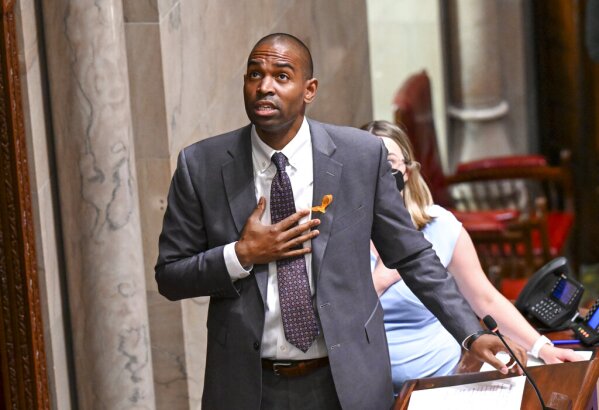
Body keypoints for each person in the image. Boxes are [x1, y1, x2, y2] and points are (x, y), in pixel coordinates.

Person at [154, 33, 523, 410]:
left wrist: (470, 332)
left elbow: (411, 256)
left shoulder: (361, 156)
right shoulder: (201, 166)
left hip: (345, 381)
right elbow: (169, 274)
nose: (264, 87)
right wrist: (241, 255)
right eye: (254, 74)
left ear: (309, 89)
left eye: (281, 76)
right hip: (248, 385)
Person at [362, 120, 585, 391]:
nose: (380, 173)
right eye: (369, 164)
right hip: (372, 392)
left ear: (406, 172)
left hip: (442, 382)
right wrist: (380, 281)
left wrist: (542, 347)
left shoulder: (439, 226)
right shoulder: (337, 234)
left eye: (390, 163)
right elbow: (328, 323)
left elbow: (484, 297)